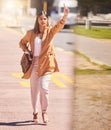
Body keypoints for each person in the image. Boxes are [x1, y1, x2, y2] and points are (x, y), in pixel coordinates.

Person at [19, 4, 69, 124]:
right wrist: (27, 51)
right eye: (41, 18)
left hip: (46, 65)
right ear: (37, 20)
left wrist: (65, 15)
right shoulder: (31, 33)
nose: (43, 20)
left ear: (47, 20)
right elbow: (22, 43)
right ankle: (35, 112)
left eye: (45, 19)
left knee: (44, 88)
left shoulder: (50, 32)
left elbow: (59, 26)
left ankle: (44, 112)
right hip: (34, 65)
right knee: (34, 91)